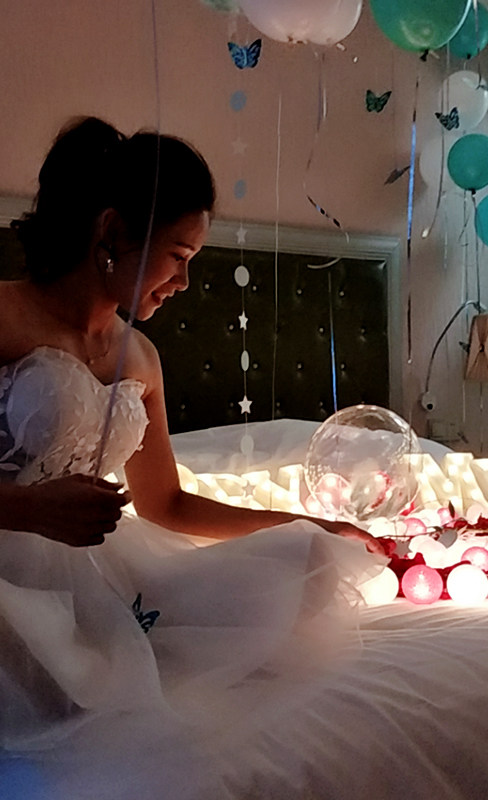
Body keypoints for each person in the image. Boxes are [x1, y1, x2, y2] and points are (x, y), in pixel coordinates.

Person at [0, 117, 385, 798]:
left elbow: (167, 504)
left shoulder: (140, 357)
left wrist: (303, 523)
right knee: (72, 691)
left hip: (95, 572)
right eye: (179, 255)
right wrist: (29, 509)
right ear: (112, 231)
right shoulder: (5, 315)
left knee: (302, 562)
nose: (184, 281)